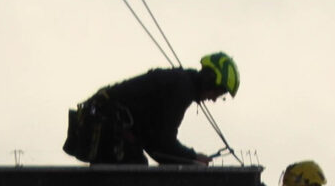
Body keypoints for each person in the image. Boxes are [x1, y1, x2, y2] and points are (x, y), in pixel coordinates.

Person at [64, 52, 240, 165]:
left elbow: (155, 143)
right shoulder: (181, 89)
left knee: (135, 171)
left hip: (102, 123)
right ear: (210, 79)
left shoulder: (180, 83)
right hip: (107, 126)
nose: (215, 99)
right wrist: (193, 158)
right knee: (136, 176)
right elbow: (162, 143)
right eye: (219, 91)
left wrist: (189, 159)